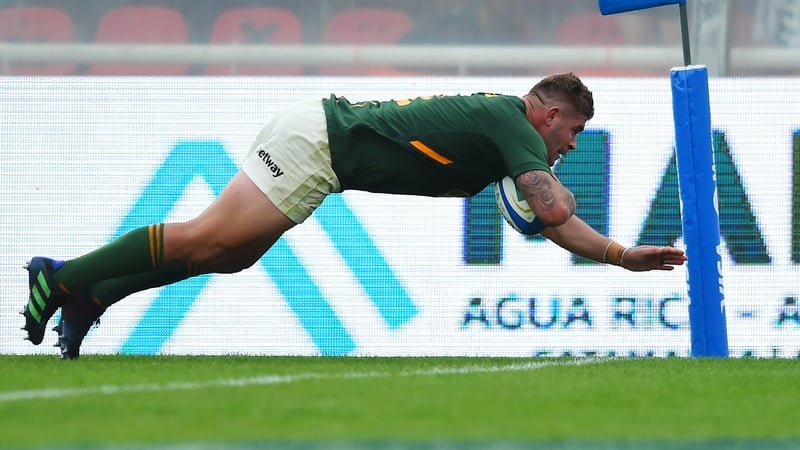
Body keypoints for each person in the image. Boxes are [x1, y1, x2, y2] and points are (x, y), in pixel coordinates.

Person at [21, 73, 687, 359]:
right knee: (207, 239)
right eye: (570, 130)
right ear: (547, 112)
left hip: (324, 150)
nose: (571, 143)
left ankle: (94, 295)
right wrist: (551, 197)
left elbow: (552, 221)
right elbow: (553, 210)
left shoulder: (510, 137)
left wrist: (623, 256)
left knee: (228, 254)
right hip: (318, 143)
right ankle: (61, 274)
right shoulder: (513, 123)